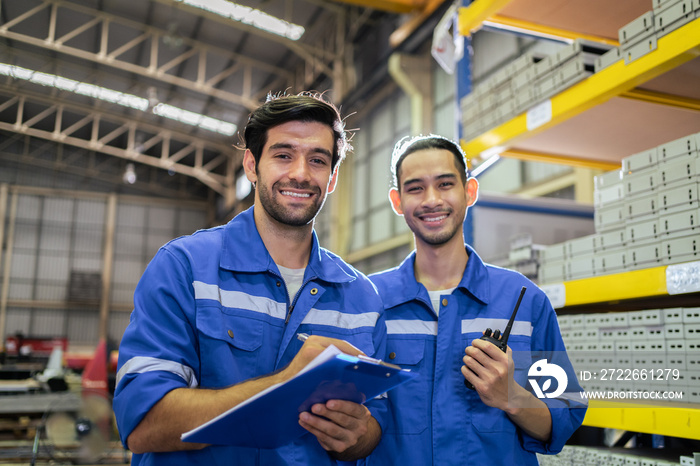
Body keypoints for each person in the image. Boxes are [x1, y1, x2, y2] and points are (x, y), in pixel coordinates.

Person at [113, 93, 387, 466]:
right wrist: (285, 387)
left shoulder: (362, 297)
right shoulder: (186, 268)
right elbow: (143, 423)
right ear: (252, 165)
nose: (301, 174)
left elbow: (373, 431)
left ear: (333, 177)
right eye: (284, 155)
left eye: (318, 160)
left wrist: (355, 434)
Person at [366, 135, 586, 465]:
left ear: (470, 191)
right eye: (415, 188)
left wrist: (510, 395)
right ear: (397, 202)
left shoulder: (524, 302)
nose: (431, 199)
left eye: (445, 184)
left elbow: (562, 421)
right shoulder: (369, 302)